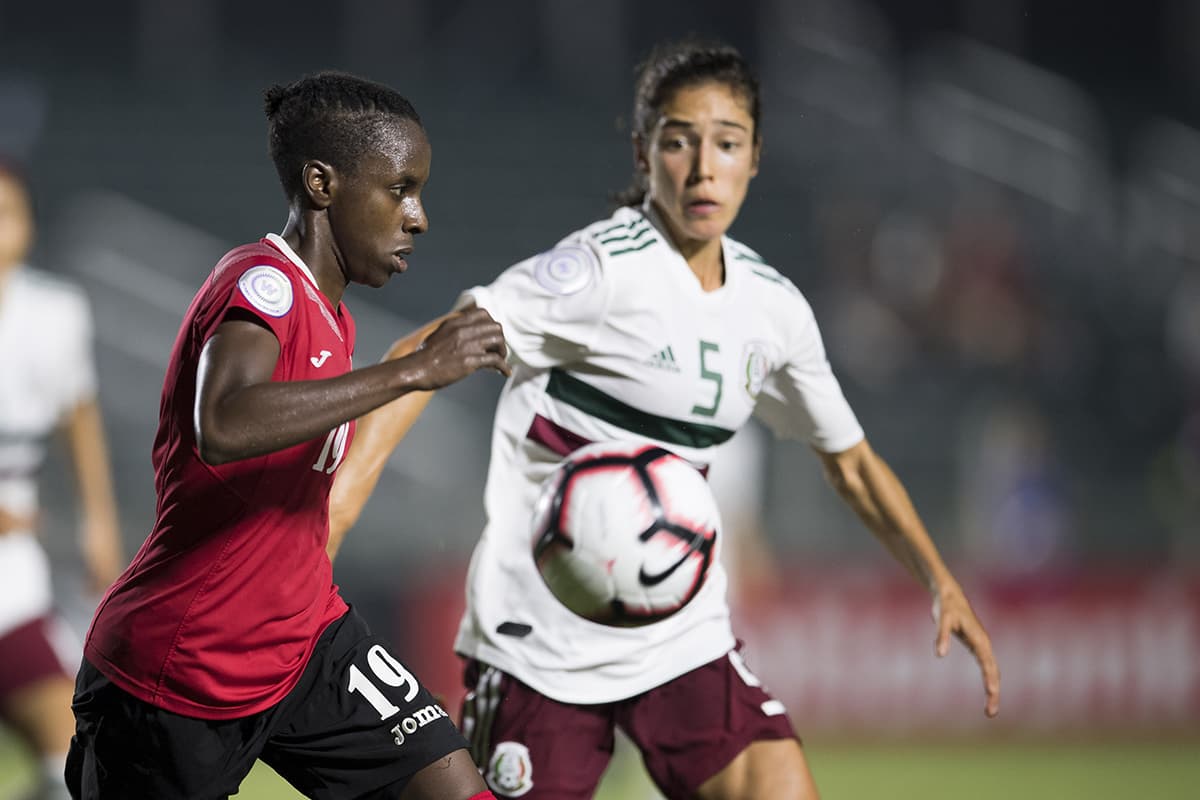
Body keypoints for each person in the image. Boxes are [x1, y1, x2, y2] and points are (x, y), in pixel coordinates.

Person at [330, 40, 1001, 800]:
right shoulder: (598, 273)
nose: (703, 166)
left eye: (727, 143)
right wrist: (338, 506)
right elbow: (429, 348)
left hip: (681, 635)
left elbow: (849, 461)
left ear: (754, 158)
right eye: (679, 140)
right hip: (539, 644)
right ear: (645, 154)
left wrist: (939, 579)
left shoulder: (772, 310)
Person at [65, 72, 510, 800]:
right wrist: (414, 373)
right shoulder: (260, 284)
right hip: (180, 677)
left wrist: (409, 368)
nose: (419, 216)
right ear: (321, 183)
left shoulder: (334, 317)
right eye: (399, 189)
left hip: (305, 644)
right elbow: (225, 420)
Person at [0, 158, 124, 800]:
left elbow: (81, 417)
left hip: (10, 580)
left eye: (6, 215)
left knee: (72, 761)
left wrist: (96, 524)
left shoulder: (53, 313)